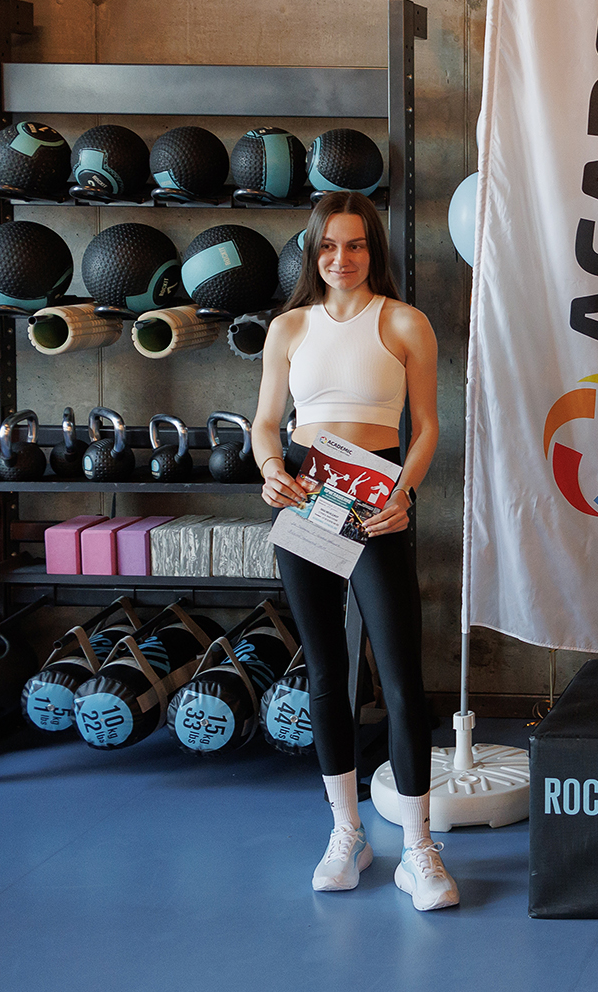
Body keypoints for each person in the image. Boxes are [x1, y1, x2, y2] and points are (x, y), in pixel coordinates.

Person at [253, 192, 450, 908]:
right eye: (330, 246)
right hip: (308, 495)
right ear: (314, 253)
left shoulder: (404, 322)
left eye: (357, 244)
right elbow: (266, 422)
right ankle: (347, 833)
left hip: (377, 497)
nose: (343, 259)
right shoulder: (289, 328)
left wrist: (404, 492)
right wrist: (271, 470)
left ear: (374, 251)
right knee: (325, 673)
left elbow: (426, 426)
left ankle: (419, 849)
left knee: (399, 676)